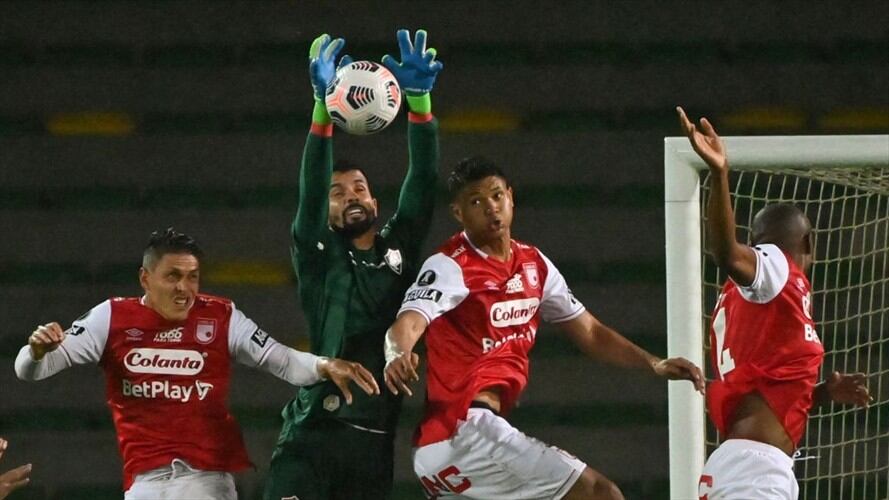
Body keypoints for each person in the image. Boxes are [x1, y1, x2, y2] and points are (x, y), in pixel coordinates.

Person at [383, 156, 705, 500]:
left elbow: (591, 332)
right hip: (464, 431)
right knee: (600, 494)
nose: (491, 208)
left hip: (449, 452)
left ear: (511, 196)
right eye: (476, 201)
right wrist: (396, 353)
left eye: (496, 196)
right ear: (459, 213)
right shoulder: (450, 265)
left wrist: (652, 363)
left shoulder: (534, 263)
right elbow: (410, 321)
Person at [15, 228, 378, 500]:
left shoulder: (220, 315)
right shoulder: (110, 317)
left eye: (192, 277)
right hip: (144, 485)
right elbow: (29, 371)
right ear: (146, 278)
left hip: (207, 481)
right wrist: (36, 351)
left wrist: (324, 365)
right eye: (172, 276)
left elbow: (280, 360)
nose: (184, 288)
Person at [263, 29, 442, 500]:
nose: (351, 197)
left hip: (374, 445)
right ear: (323, 213)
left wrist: (420, 105)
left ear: (376, 201)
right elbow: (311, 184)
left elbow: (423, 182)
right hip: (313, 434)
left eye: (359, 188)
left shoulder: (398, 250)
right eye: (337, 194)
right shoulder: (317, 253)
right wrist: (322, 108)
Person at [677, 107, 872, 500]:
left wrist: (817, 394)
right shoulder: (777, 266)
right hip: (754, 471)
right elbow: (728, 255)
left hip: (747, 465)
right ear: (809, 244)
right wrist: (719, 174)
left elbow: (761, 389)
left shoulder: (754, 301)